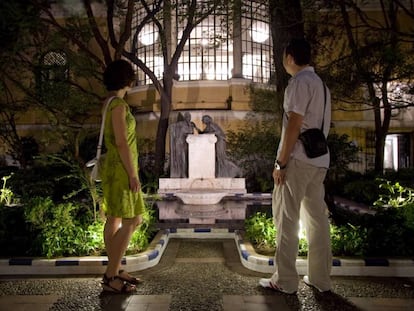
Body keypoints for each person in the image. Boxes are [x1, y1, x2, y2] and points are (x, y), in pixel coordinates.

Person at [259, 38, 332, 294]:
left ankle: (286, 281)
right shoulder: (322, 86)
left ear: (290, 57)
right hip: (319, 160)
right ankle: (320, 279)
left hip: (298, 159)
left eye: (283, 56)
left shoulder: (299, 83)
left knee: (286, 219)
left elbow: (294, 125)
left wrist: (281, 162)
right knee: (316, 220)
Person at [100, 59, 145, 293]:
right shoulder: (118, 105)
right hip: (121, 170)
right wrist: (133, 174)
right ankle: (110, 276)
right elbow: (120, 142)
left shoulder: (109, 103)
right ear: (128, 79)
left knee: (116, 218)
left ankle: (115, 270)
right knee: (132, 220)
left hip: (115, 168)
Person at [169, 112, 196, 177]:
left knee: (188, 159)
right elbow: (172, 126)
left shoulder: (190, 125)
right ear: (185, 117)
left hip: (188, 145)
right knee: (182, 159)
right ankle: (182, 173)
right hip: (180, 143)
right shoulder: (181, 124)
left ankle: (187, 173)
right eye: (187, 117)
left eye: (189, 117)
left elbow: (192, 134)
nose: (188, 118)